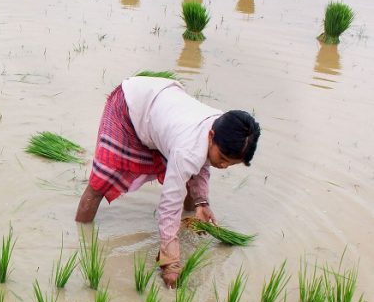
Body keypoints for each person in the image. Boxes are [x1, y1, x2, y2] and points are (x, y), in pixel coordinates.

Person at [75, 76, 260, 288]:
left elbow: (202, 165)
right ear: (211, 136)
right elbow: (169, 204)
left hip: (161, 107)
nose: (224, 166)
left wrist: (202, 203)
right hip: (129, 105)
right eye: (223, 159)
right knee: (101, 181)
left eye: (231, 164)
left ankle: (189, 219)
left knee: (190, 175)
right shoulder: (188, 149)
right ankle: (81, 236)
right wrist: (170, 260)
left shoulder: (224, 126)